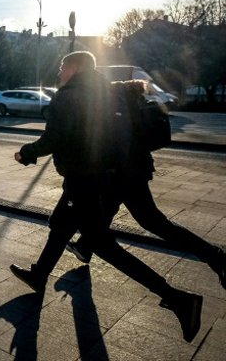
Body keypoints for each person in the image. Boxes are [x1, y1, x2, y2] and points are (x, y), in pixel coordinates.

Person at [9, 51, 203, 343]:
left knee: (103, 245)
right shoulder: (103, 93)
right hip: (100, 176)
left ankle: (178, 299)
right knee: (61, 224)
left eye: (63, 68)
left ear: (74, 68)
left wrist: (25, 153)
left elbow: (54, 139)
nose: (60, 73)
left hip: (83, 179)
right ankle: (39, 274)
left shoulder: (68, 96)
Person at [65, 80, 226, 289]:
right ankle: (85, 246)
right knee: (106, 212)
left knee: (153, 222)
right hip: (134, 170)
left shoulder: (115, 105)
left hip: (124, 173)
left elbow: (115, 141)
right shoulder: (132, 103)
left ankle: (215, 256)